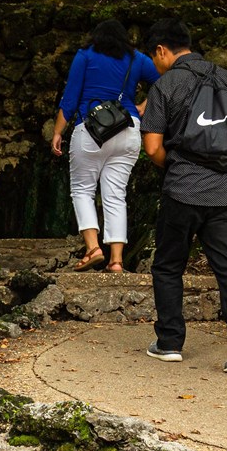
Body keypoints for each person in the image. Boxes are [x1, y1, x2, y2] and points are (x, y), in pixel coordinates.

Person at [138, 18, 227, 374]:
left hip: (182, 190)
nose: (155, 63)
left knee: (168, 265)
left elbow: (152, 148)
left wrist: (177, 166)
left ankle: (169, 343)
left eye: (154, 57)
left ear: (162, 51)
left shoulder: (166, 85)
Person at [51, 20, 161, 273]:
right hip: (128, 127)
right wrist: (143, 106)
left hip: (92, 128)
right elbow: (168, 79)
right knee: (115, 194)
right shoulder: (137, 59)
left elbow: (70, 98)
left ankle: (93, 249)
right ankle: (116, 260)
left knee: (82, 189)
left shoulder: (85, 56)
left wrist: (58, 131)